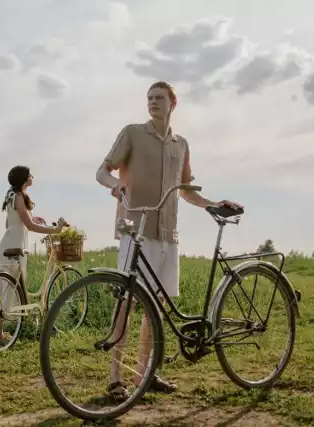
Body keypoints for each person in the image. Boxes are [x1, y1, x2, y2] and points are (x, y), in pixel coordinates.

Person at [95, 81, 243, 400]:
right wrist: (115, 186)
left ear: (173, 102)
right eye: (149, 98)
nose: (153, 102)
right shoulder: (132, 133)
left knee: (156, 310)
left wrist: (213, 204)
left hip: (168, 236)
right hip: (136, 231)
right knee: (127, 304)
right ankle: (115, 378)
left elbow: (187, 190)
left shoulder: (181, 144)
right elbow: (102, 171)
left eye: (159, 98)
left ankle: (145, 375)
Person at [0, 165, 67, 341]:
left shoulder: (12, 196)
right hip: (15, 242)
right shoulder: (18, 197)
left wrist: (30, 219)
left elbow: (13, 222)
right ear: (24, 179)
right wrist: (56, 230)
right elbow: (30, 226)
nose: (32, 176)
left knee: (5, 284)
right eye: (30, 174)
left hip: (9, 239)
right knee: (9, 284)